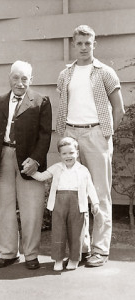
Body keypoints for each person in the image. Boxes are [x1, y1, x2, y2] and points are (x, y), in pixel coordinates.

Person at [56, 25, 125, 267]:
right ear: (73, 45)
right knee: (76, 194)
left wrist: (106, 135)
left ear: (94, 44)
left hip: (96, 134)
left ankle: (100, 249)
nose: (84, 47)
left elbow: (119, 108)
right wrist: (64, 135)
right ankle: (82, 247)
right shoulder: (65, 74)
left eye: (88, 43)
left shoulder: (105, 72)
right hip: (71, 134)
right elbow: (63, 107)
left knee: (100, 193)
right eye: (80, 43)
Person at [0, 60, 52, 269]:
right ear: (9, 78)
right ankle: (8, 253)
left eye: (25, 78)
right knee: (3, 207)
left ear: (31, 79)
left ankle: (31, 254)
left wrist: (36, 159)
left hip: (29, 161)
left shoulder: (41, 101)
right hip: (2, 156)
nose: (20, 83)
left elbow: (45, 135)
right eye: (16, 77)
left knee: (31, 209)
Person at [30, 137, 102, 271]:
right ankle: (58, 259)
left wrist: (95, 203)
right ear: (60, 155)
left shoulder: (83, 170)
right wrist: (30, 171)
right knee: (58, 231)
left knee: (76, 233)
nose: (68, 156)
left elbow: (90, 187)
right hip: (59, 203)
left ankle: (74, 259)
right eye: (64, 153)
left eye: (71, 153)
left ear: (77, 153)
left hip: (77, 204)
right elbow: (42, 176)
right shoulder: (57, 168)